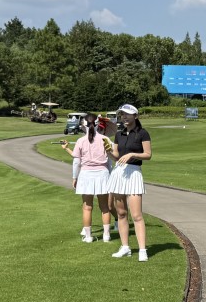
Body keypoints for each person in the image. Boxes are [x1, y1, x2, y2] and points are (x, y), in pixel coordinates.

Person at [106, 104, 151, 261]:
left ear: (135, 116)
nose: (124, 117)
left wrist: (132, 154)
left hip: (134, 173)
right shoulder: (119, 134)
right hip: (119, 173)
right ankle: (125, 247)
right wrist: (108, 151)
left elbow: (148, 154)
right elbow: (116, 157)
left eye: (127, 114)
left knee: (137, 215)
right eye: (122, 114)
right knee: (121, 213)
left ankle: (142, 250)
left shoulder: (142, 133)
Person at [61, 114, 114, 243]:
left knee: (87, 207)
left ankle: (88, 236)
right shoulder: (105, 139)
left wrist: (74, 177)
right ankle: (106, 235)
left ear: (84, 125)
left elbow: (76, 162)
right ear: (97, 124)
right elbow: (110, 161)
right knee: (104, 207)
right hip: (102, 174)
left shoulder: (80, 141)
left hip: (86, 175)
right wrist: (111, 175)